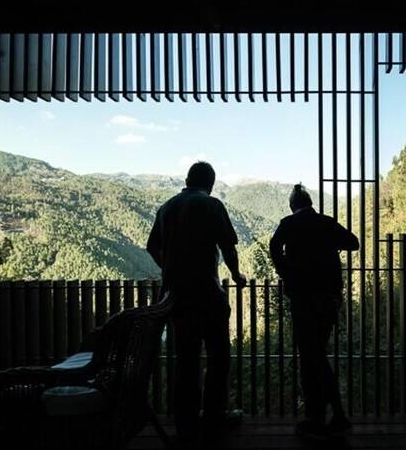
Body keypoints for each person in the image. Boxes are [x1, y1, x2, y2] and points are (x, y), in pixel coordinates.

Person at [146, 161, 247, 447]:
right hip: (206, 292)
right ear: (211, 183)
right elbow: (228, 246)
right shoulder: (212, 205)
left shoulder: (166, 207)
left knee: (186, 360)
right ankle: (215, 417)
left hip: (177, 296)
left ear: (187, 179)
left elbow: (152, 246)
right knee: (218, 356)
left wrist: (169, 268)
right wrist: (237, 276)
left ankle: (185, 423)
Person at [269, 184, 359, 439]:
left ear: (292, 205)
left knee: (311, 357)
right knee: (316, 353)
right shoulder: (326, 222)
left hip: (302, 298)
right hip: (328, 299)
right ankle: (325, 416)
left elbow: (274, 247)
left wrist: (286, 272)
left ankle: (325, 416)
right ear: (310, 202)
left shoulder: (287, 224)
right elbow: (354, 243)